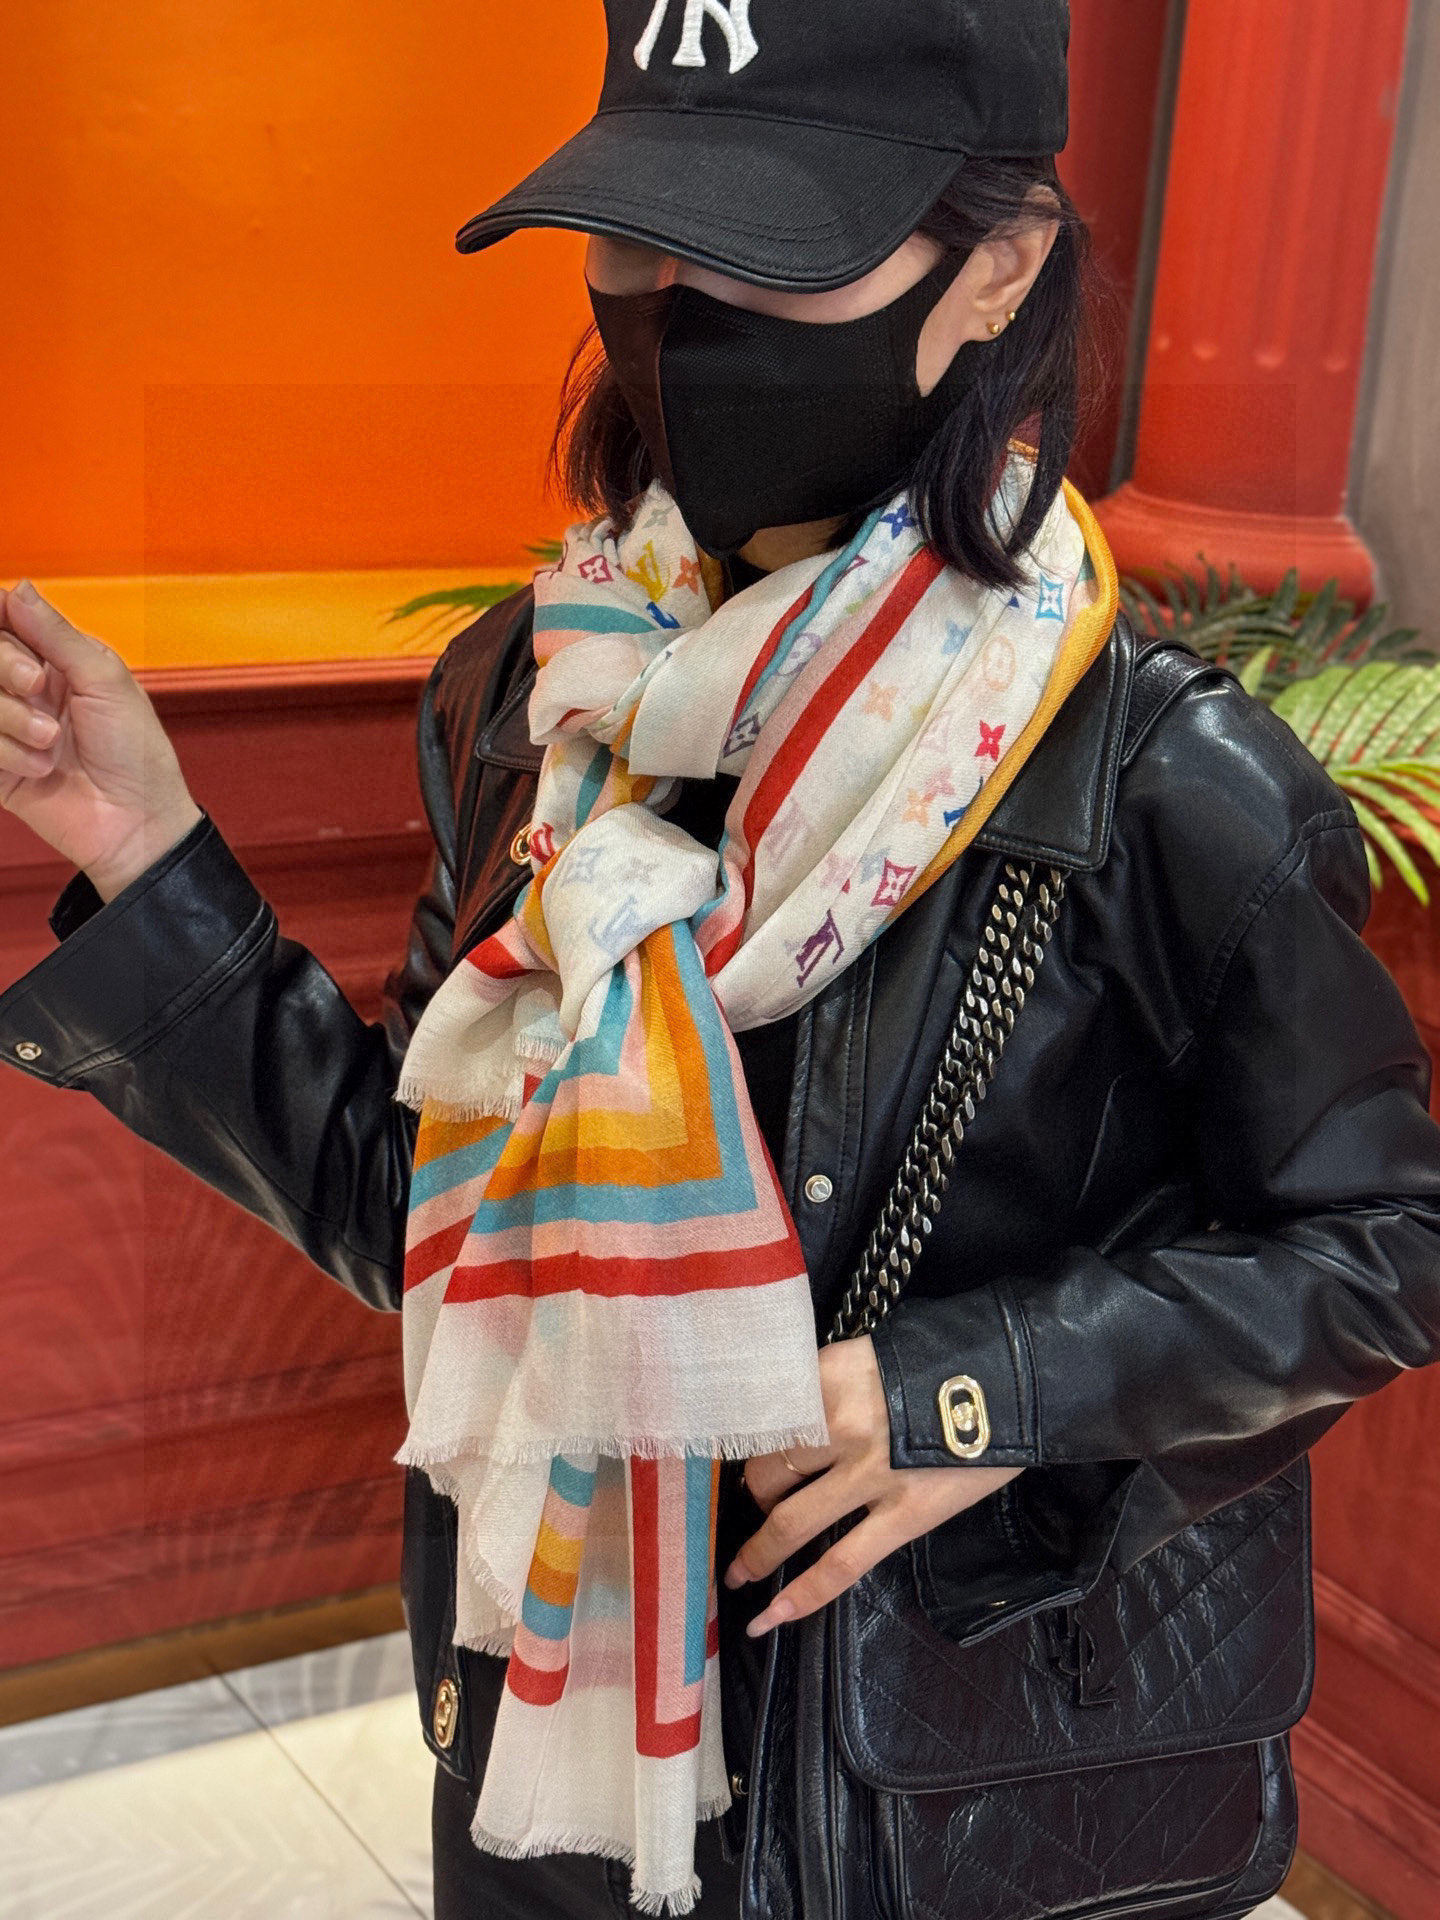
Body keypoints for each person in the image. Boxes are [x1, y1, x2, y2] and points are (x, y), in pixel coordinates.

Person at [3, 2, 1440, 1916]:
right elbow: (422, 1216)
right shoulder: (538, 701)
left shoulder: (1165, 782)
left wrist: (978, 1392)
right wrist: (147, 857)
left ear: (996, 267)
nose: (679, 315)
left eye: (768, 248)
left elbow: (1382, 1242)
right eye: (635, 242)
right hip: (548, 1764)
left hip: (937, 1805)